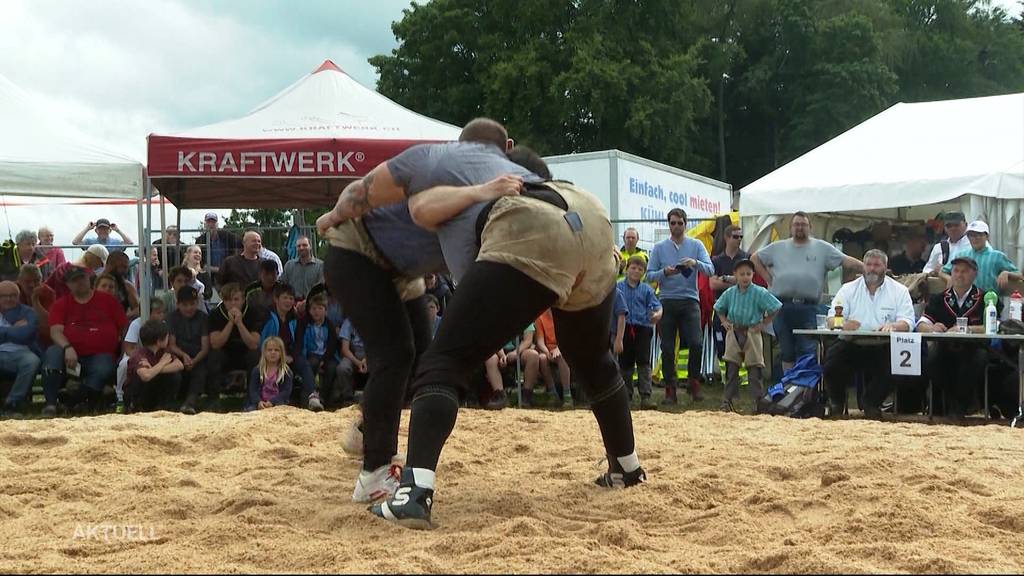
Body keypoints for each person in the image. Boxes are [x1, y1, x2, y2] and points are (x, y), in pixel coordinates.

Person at [318, 118, 645, 528]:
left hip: (521, 226)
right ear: (504, 147)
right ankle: (627, 469)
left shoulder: (456, 166)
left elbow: (402, 204)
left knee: (440, 363)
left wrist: (331, 216)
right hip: (590, 214)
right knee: (593, 359)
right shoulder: (487, 167)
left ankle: (414, 494)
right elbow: (415, 211)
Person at [314, 119, 540, 505]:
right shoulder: (441, 163)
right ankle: (374, 473)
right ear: (507, 145)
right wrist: (333, 218)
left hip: (401, 271)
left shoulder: (502, 180)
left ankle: (367, 428)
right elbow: (371, 194)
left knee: (423, 353)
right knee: (395, 353)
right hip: (356, 253)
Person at [751, 212, 863, 371]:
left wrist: (867, 268)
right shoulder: (777, 247)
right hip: (781, 307)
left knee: (807, 350)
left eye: (803, 224)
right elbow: (755, 258)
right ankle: (790, 390)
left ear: (810, 227)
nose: (800, 228)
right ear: (791, 228)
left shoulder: (822, 248)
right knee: (786, 351)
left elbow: (845, 260)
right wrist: (769, 279)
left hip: (809, 308)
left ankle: (805, 391)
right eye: (796, 224)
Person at [822, 249, 915, 419]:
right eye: (868, 265)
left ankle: (871, 403)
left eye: (877, 265)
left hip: (883, 345)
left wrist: (893, 325)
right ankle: (837, 403)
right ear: (863, 266)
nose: (872, 269)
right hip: (852, 343)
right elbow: (830, 319)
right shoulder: (847, 289)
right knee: (831, 364)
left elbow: (908, 322)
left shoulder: (900, 291)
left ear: (885, 268)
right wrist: (842, 324)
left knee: (899, 367)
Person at [646, 208, 714, 404]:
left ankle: (693, 382)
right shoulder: (659, 248)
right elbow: (649, 275)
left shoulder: (696, 244)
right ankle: (670, 388)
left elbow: (710, 269)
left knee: (696, 342)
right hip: (666, 299)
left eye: (680, 223)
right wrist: (664, 273)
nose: (676, 226)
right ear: (668, 224)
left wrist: (695, 262)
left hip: (690, 299)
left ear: (686, 224)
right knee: (667, 347)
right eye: (672, 223)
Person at [42, 266, 127, 417]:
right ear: (68, 284)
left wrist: (124, 353)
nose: (79, 282)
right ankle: (51, 404)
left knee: (103, 368)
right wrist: (67, 347)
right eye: (74, 280)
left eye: (82, 278)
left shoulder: (108, 301)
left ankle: (75, 399)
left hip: (101, 354)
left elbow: (124, 328)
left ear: (89, 279)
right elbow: (55, 332)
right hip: (69, 355)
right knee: (52, 353)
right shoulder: (61, 304)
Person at [917, 257, 987, 420]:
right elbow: (921, 324)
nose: (959, 275)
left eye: (964, 271)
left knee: (977, 360)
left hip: (973, 348)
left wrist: (967, 329)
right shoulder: (939, 298)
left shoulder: (985, 298)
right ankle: (950, 404)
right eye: (956, 271)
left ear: (974, 274)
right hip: (945, 347)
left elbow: (994, 326)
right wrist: (931, 328)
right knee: (932, 359)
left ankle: (959, 408)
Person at [712, 259, 782, 412]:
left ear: (753, 275)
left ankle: (758, 402)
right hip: (734, 332)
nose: (745, 277)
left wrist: (764, 323)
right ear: (735, 275)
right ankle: (727, 401)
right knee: (731, 368)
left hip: (752, 332)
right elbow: (718, 307)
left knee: (755, 369)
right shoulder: (730, 293)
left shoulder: (759, 292)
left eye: (748, 274)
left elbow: (776, 306)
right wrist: (724, 321)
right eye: (742, 274)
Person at [258, 282, 322, 411]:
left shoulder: (294, 318)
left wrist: (292, 355)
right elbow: (262, 341)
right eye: (285, 298)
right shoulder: (267, 316)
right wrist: (281, 356)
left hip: (290, 354)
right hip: (271, 353)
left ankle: (312, 397)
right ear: (276, 299)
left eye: (291, 298)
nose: (288, 301)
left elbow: (298, 341)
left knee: (303, 363)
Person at [207, 282, 262, 412]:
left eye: (236, 299)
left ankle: (251, 399)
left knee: (255, 355)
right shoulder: (216, 314)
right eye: (228, 300)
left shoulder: (252, 313)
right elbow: (215, 343)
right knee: (214, 356)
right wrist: (231, 323)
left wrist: (240, 323)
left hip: (245, 352)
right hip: (225, 353)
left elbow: (253, 343)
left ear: (243, 300)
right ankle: (214, 399)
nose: (232, 304)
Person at [617, 256, 662, 409]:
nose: (636, 271)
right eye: (633, 268)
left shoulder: (647, 290)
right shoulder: (617, 288)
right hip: (624, 329)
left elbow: (657, 306)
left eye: (640, 269)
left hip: (643, 328)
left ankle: (646, 396)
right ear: (626, 269)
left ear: (644, 272)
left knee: (643, 362)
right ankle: (625, 395)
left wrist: (657, 314)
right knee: (625, 363)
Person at [939, 220, 1022, 294]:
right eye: (972, 235)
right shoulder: (961, 255)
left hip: (989, 301)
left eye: (979, 235)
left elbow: (1019, 274)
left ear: (986, 236)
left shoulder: (997, 256)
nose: (975, 238)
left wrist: (1006, 273)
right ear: (968, 237)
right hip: (964, 301)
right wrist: (948, 278)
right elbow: (943, 271)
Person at [116, 299, 166, 412]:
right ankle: (119, 397)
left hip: (154, 357)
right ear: (148, 312)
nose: (162, 315)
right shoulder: (136, 324)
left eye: (163, 312)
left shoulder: (163, 325)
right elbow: (128, 347)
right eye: (158, 312)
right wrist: (139, 359)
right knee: (124, 364)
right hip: (136, 355)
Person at [0, 281, 41, 417]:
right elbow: (19, 333)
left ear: (18, 297)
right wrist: (13, 330)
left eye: (13, 295)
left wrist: (3, 333)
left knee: (32, 361)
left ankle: (13, 403)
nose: (9, 299)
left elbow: (26, 335)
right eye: (4, 296)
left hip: (20, 353)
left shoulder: (27, 312)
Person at [125, 320, 183, 413]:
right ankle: (136, 408)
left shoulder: (163, 351)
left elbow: (179, 365)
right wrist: (161, 363)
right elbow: (146, 376)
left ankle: (165, 405)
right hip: (137, 395)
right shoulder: (139, 354)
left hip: (155, 391)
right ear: (159, 341)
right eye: (167, 337)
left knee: (175, 375)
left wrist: (154, 368)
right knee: (147, 378)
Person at [168, 286, 210, 415]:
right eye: (185, 305)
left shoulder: (203, 317)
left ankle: (190, 402)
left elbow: (205, 347)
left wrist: (194, 360)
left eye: (192, 304)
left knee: (200, 371)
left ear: (197, 303)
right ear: (178, 304)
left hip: (198, 356)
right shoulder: (172, 318)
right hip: (179, 355)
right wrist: (184, 355)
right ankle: (171, 401)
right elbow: (172, 345)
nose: (189, 308)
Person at [296, 295, 340, 408]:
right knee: (312, 363)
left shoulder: (329, 324)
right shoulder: (304, 323)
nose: (317, 312)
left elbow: (332, 345)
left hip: (327, 355)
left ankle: (323, 398)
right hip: (311, 353)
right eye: (314, 309)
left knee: (331, 367)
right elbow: (300, 342)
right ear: (309, 310)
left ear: (325, 311)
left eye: (320, 308)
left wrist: (324, 359)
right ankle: (307, 398)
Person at [535, 309, 573, 407]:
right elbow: (540, 341)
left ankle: (567, 395)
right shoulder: (540, 317)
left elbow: (568, 337)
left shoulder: (564, 315)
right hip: (547, 350)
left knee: (562, 357)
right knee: (542, 358)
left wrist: (559, 348)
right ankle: (552, 393)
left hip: (562, 348)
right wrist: (547, 352)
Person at [245, 336, 293, 411]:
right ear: (264, 352)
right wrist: (259, 402)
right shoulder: (257, 370)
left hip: (278, 403)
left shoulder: (286, 372)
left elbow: (286, 391)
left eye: (276, 350)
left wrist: (272, 402)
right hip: (259, 403)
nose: (273, 352)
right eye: (269, 350)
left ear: (281, 353)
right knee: (250, 411)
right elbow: (252, 390)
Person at [16, 264, 55, 350]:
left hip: (43, 339)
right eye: (27, 281)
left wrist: (35, 300)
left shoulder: (48, 292)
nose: (32, 285)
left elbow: (49, 324)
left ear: (42, 280)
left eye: (36, 281)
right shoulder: (13, 291)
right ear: (19, 281)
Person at [280, 236, 323, 301]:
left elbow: (321, 290)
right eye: (298, 246)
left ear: (310, 246)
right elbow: (283, 287)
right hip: (292, 305)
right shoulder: (289, 265)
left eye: (304, 245)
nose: (301, 248)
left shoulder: (320, 266)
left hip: (313, 304)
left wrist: (306, 302)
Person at [337, 318, 367, 408]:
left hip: (371, 354)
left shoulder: (374, 321)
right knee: (342, 368)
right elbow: (345, 349)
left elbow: (376, 345)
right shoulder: (348, 322)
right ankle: (348, 399)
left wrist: (367, 359)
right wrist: (358, 363)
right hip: (352, 354)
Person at [104, 251, 141, 319]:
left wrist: (124, 317)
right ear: (109, 265)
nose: (124, 270)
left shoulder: (127, 287)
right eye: (121, 266)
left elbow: (137, 309)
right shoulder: (93, 283)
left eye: (125, 267)